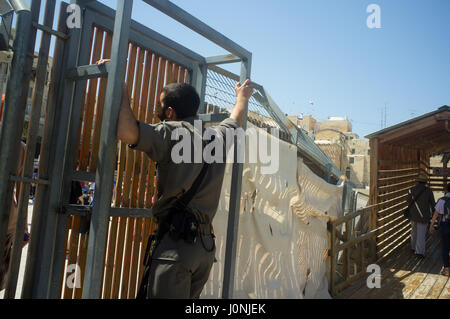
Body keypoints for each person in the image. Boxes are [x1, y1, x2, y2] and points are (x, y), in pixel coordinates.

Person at [97, 58, 253, 299]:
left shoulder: (171, 132)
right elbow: (236, 120)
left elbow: (126, 131)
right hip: (204, 249)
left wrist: (122, 85)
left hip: (176, 248)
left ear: (170, 112)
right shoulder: (217, 137)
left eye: (159, 106)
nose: (155, 111)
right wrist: (242, 97)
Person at [407, 173, 436, 257]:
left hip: (413, 215)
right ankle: (419, 252)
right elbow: (432, 204)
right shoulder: (428, 191)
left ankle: (413, 248)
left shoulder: (411, 189)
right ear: (425, 182)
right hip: (423, 216)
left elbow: (408, 201)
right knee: (421, 234)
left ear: (418, 181)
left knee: (414, 232)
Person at [429, 183, 450, 277]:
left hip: (445, 225)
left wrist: (431, 225)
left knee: (445, 247)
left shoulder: (442, 200)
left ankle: (447, 270)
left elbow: (435, 214)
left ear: (446, 190)